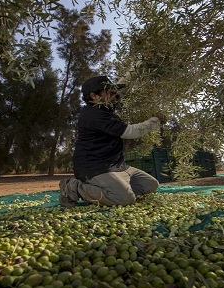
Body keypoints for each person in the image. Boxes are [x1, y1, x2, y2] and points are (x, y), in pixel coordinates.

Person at [58, 75, 163, 208]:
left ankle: (114, 190)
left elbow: (122, 85)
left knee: (151, 185)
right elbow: (131, 132)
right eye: (109, 91)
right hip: (95, 167)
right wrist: (155, 121)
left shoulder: (105, 105)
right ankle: (73, 186)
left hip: (116, 165)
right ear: (94, 96)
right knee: (125, 199)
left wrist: (140, 64)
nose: (114, 94)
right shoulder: (94, 115)